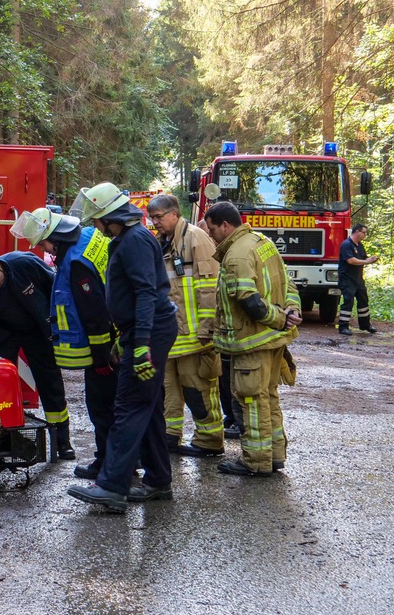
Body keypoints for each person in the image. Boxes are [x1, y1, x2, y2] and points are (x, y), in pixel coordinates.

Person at [65, 183, 178, 513]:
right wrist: (124, 336)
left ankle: (112, 486)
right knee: (149, 404)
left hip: (151, 333)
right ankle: (158, 479)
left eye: (97, 219)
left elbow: (146, 295)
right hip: (143, 332)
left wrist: (140, 346)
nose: (96, 226)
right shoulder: (128, 240)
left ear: (108, 217)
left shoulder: (134, 242)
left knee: (128, 405)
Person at [10, 207, 117, 480]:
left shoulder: (76, 262)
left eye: (44, 243)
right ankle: (117, 460)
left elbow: (94, 313)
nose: (44, 249)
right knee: (114, 405)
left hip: (104, 349)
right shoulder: (91, 236)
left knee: (101, 408)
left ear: (56, 237)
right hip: (118, 332)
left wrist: (101, 357)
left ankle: (109, 464)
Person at [202, 201, 302, 477]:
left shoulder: (236, 256)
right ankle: (275, 455)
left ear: (225, 225)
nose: (210, 235)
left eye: (212, 229)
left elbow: (251, 303)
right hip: (273, 341)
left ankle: (255, 461)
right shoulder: (263, 242)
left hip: (252, 342)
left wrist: (280, 318)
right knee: (269, 397)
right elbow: (288, 283)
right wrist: (291, 311)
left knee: (250, 400)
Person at [0, 252, 73, 459]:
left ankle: (62, 441)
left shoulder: (24, 265)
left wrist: (55, 326)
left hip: (37, 331)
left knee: (50, 382)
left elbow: (56, 287)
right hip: (3, 335)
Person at [146, 193, 224, 457]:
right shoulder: (161, 243)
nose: (155, 222)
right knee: (169, 390)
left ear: (174, 214)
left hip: (194, 337)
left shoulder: (195, 238)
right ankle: (170, 435)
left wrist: (207, 328)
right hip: (171, 336)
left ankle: (209, 440)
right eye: (152, 217)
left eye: (159, 217)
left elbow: (209, 287)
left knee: (198, 389)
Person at [337, 224, 379, 336]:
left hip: (358, 278)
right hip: (347, 278)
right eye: (364, 232)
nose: (365, 235)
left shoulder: (360, 245)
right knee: (348, 301)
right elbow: (351, 260)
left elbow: (363, 258)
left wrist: (371, 259)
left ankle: (365, 325)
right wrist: (366, 261)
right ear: (356, 232)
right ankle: (343, 326)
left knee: (363, 300)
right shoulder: (346, 245)